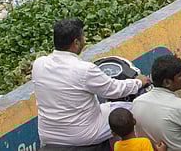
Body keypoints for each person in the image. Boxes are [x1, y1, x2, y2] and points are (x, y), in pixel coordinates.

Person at [32, 19, 150, 150]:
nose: (85, 40)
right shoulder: (84, 69)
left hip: (48, 134)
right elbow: (114, 89)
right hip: (82, 134)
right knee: (134, 109)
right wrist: (138, 82)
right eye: (83, 36)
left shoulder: (39, 64)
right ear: (76, 43)